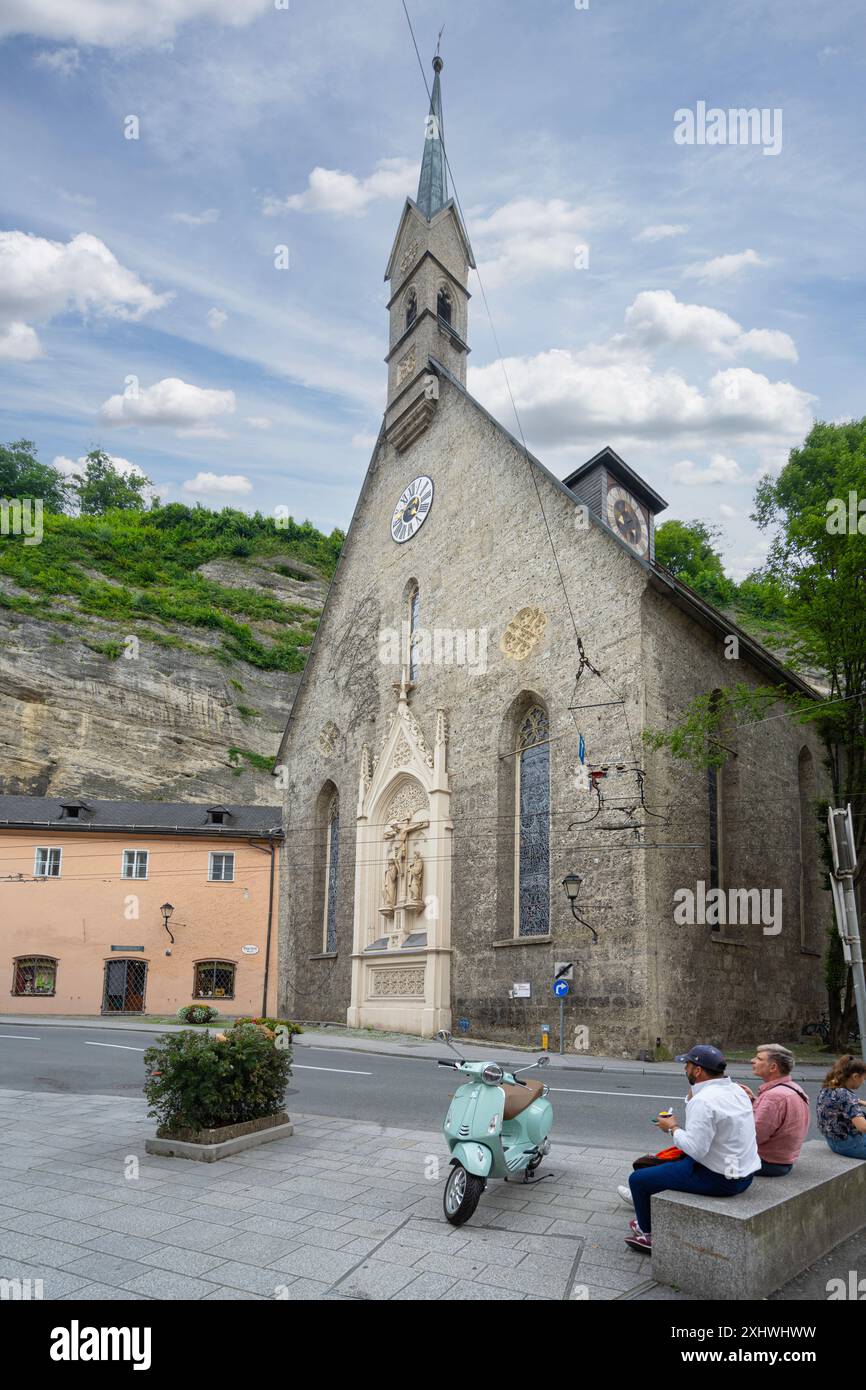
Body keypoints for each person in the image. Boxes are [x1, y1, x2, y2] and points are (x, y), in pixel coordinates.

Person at [620, 1044, 760, 1253]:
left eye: (687, 1065)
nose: (685, 1069)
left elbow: (696, 1149)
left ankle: (648, 1234)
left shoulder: (704, 1100)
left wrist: (672, 1128)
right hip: (744, 1175)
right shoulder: (737, 1090)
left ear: (697, 1070)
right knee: (659, 1165)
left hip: (720, 1180)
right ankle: (647, 1213)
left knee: (638, 1179)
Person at [737, 1043, 810, 1175]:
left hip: (766, 1163)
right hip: (783, 1161)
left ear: (773, 1067)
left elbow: (754, 1136)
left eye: (759, 1059)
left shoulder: (773, 1097)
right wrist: (754, 1101)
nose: (752, 1060)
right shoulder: (794, 1088)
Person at [816, 1054, 866, 1159]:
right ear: (855, 1076)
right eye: (863, 1078)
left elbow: (849, 1102)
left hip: (833, 1141)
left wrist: (861, 1102)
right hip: (850, 1144)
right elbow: (863, 1127)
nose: (863, 1082)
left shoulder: (829, 1087)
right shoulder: (845, 1095)